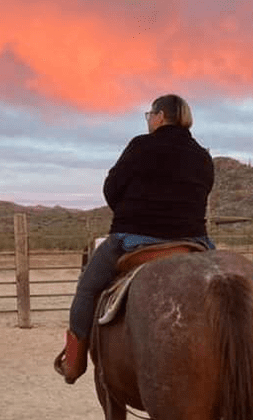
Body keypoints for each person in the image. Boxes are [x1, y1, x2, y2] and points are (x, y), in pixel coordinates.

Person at [54, 94, 216, 384]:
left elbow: (112, 188)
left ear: (161, 116)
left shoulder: (140, 146)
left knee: (87, 288)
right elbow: (203, 192)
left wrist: (134, 213)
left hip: (135, 238)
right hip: (193, 240)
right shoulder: (202, 155)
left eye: (149, 115)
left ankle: (75, 361)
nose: (149, 120)